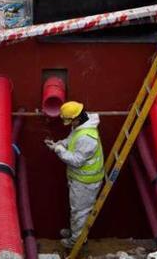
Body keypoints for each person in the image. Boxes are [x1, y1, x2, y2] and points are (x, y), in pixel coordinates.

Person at [44, 101, 104, 250]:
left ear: (76, 118)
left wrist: (59, 150)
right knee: (76, 210)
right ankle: (75, 232)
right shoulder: (80, 126)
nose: (69, 124)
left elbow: (76, 160)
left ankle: (77, 242)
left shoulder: (87, 137)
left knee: (79, 211)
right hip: (80, 179)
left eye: (69, 121)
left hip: (86, 182)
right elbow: (72, 140)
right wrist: (59, 144)